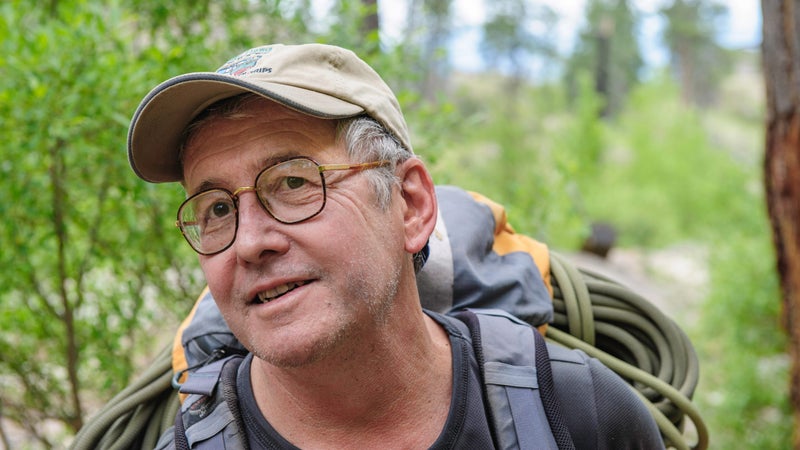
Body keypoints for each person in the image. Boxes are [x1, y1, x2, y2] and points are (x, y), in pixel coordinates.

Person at [127, 43, 664, 449]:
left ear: (410, 205)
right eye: (217, 208)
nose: (248, 243)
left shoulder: (580, 414)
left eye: (293, 183)